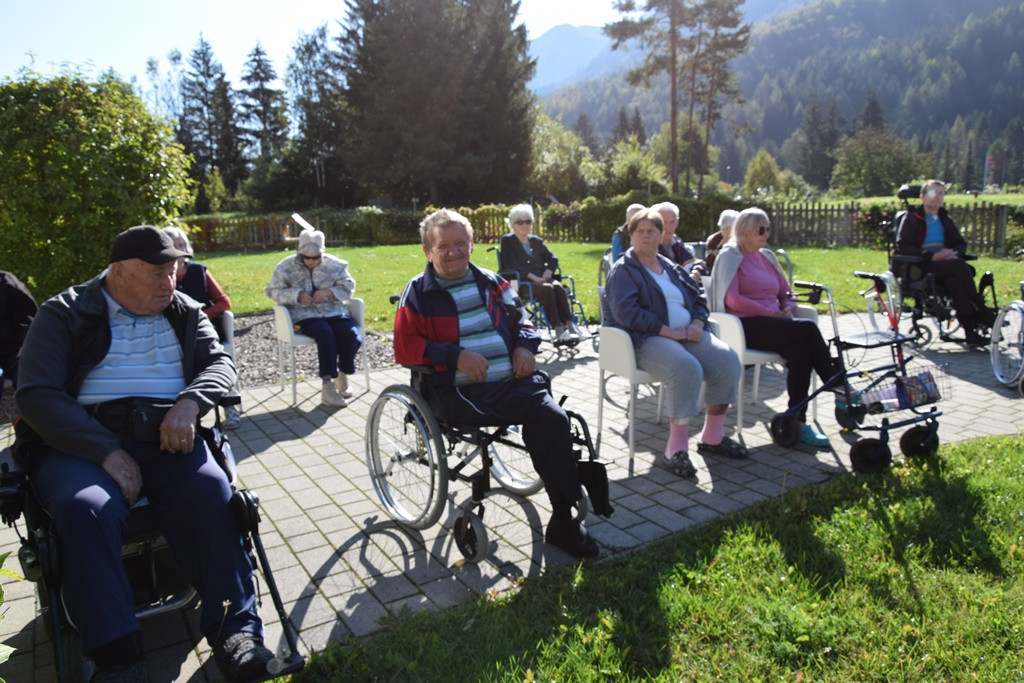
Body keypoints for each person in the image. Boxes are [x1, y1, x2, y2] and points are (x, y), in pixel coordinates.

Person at [13, 226, 275, 682]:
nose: (169, 284)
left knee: (213, 492)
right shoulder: (64, 313)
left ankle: (236, 631)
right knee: (85, 509)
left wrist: (190, 403)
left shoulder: (183, 311)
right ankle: (118, 659)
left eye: (173, 271)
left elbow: (220, 362)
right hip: (79, 443)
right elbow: (36, 396)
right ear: (118, 272)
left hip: (166, 437)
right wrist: (105, 450)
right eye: (157, 274)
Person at [394, 208, 598, 560]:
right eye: (444, 246)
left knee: (553, 420)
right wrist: (455, 356)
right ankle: (567, 487)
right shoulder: (418, 293)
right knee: (546, 419)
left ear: (472, 245)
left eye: (461, 243)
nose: (454, 252)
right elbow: (405, 347)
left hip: (513, 380)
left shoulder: (492, 281)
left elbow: (525, 322)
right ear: (428, 251)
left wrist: (524, 346)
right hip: (458, 391)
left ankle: (563, 519)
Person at [604, 208, 745, 478]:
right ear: (630, 236)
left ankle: (713, 437)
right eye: (640, 231)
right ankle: (676, 448)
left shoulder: (670, 267)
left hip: (686, 333)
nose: (646, 236)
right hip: (646, 339)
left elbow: (699, 299)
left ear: (661, 235)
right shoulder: (624, 270)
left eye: (652, 231)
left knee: (727, 361)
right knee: (686, 368)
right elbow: (626, 313)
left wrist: (697, 324)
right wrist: (668, 331)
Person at [708, 207, 835, 448]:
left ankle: (796, 420)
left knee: (801, 356)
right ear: (744, 231)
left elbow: (786, 291)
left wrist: (787, 305)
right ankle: (833, 379)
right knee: (807, 329)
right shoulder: (730, 256)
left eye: (768, 229)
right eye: (761, 229)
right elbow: (731, 299)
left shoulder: (766, 257)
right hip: (744, 326)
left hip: (774, 324)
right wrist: (772, 312)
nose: (766, 234)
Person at [265, 229, 362, 407]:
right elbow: (272, 291)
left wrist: (329, 292)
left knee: (352, 336)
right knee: (324, 333)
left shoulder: (336, 265)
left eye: (315, 257)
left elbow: (349, 287)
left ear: (322, 253)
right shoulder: (284, 267)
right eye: (306, 257)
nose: (310, 261)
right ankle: (327, 386)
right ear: (299, 253)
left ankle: (343, 374)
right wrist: (297, 295)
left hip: (334, 311)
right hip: (303, 314)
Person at [895, 179, 994, 345]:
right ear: (922, 197)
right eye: (933, 193)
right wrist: (931, 256)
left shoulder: (944, 219)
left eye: (941, 193)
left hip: (947, 267)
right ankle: (980, 308)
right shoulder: (911, 219)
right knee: (959, 267)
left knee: (954, 282)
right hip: (921, 265)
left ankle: (970, 332)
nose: (937, 197)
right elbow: (903, 247)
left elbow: (959, 243)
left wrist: (953, 253)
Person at [162, 226, 242, 429]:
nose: (180, 249)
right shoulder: (161, 277)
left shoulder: (199, 271)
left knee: (215, 362)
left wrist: (198, 318)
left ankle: (230, 408)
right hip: (172, 334)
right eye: (175, 245)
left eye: (182, 244)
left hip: (203, 332)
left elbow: (224, 303)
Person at [499, 204, 583, 343]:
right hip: (521, 282)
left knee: (557, 286)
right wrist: (534, 277)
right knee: (547, 288)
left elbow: (552, 258)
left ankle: (571, 326)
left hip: (542, 279)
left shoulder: (536, 241)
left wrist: (548, 272)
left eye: (528, 221)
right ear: (513, 225)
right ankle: (558, 330)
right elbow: (511, 265)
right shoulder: (507, 241)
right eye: (520, 222)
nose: (524, 225)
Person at [0, 270, 37, 403]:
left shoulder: (7, 282)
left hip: (13, 351)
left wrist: (27, 344)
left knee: (32, 376)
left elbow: (29, 320)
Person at [651, 201, 700, 271]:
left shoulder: (677, 243)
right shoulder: (648, 246)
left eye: (672, 222)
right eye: (664, 222)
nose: (668, 227)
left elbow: (692, 262)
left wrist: (696, 271)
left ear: (677, 223)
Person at [702, 209, 740, 275]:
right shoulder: (713, 239)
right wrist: (719, 247)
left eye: (729, 228)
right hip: (718, 272)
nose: (726, 231)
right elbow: (710, 261)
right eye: (724, 228)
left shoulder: (740, 238)